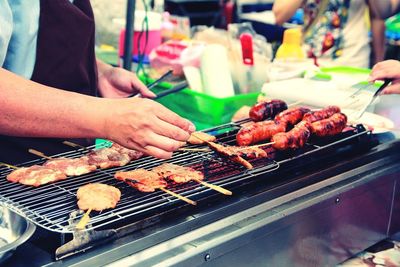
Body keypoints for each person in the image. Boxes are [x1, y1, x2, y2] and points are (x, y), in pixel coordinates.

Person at [0, 0, 195, 164]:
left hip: (66, 159)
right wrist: (106, 116)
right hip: (10, 162)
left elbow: (31, 42)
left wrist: (99, 71)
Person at [272, 0, 387, 68]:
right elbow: (279, 15)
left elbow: (382, 13)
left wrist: (378, 63)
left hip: (350, 62)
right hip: (307, 61)